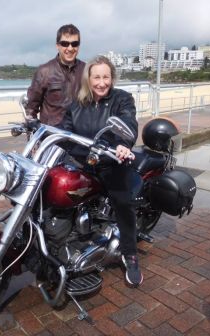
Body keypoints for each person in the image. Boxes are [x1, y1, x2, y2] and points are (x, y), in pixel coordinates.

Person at [59, 55, 143, 287]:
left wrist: (123, 144)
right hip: (82, 162)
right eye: (97, 77)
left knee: (123, 202)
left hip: (110, 162)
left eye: (106, 77)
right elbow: (64, 127)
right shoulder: (78, 102)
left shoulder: (122, 99)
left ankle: (130, 254)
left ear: (112, 78)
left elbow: (128, 121)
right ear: (89, 78)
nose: (101, 82)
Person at [25, 24, 85, 126]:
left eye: (74, 44)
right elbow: (31, 108)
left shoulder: (87, 70)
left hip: (80, 135)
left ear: (78, 46)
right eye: (65, 43)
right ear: (57, 45)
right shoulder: (44, 71)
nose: (70, 48)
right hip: (53, 135)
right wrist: (33, 133)